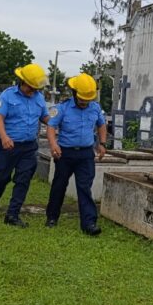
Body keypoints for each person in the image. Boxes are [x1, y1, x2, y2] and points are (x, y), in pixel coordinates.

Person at [0, 63, 50, 228]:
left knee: (23, 179)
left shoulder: (39, 98)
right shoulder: (7, 95)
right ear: (22, 81)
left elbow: (45, 117)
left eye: (35, 88)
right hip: (8, 146)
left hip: (29, 147)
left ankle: (12, 214)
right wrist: (4, 137)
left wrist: (56, 125)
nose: (32, 90)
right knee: (1, 178)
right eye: (30, 87)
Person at [45, 73, 107, 236]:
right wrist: (53, 144)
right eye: (82, 98)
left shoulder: (95, 108)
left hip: (86, 154)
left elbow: (101, 125)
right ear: (74, 93)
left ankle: (89, 223)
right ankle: (52, 217)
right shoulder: (62, 108)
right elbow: (51, 127)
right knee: (59, 185)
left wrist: (102, 143)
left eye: (87, 99)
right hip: (65, 154)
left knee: (84, 187)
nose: (84, 102)